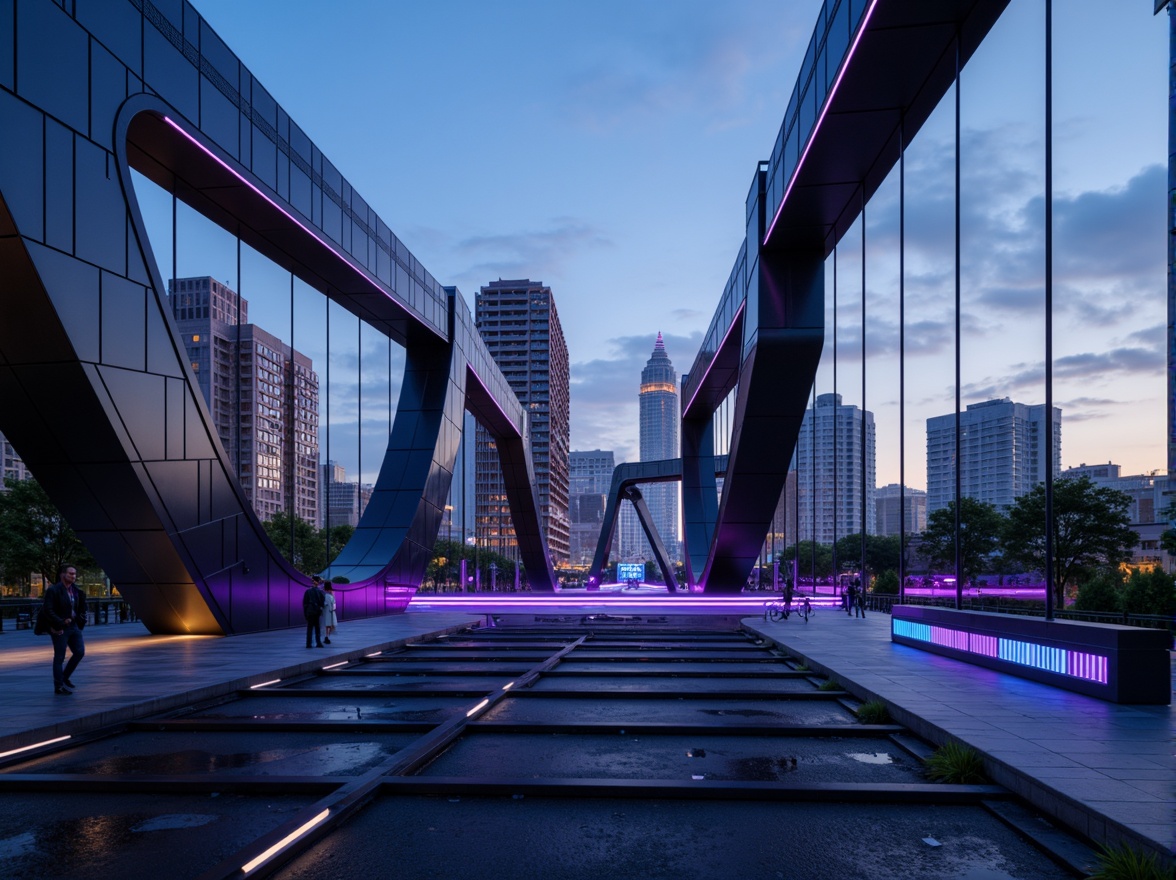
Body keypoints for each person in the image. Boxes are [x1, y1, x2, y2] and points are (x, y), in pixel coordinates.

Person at [43, 564, 86, 695]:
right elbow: (48, 610)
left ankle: (64, 677)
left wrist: (80, 619)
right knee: (59, 657)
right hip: (60, 627)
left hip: (73, 626)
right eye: (70, 574)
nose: (73, 576)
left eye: (74, 574)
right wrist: (59, 622)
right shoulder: (54, 590)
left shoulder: (76, 591)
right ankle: (59, 686)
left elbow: (80, 607)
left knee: (79, 652)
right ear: (63, 575)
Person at [303, 577, 326, 648]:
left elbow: (305, 603)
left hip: (310, 611)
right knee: (317, 627)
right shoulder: (320, 591)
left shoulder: (308, 591)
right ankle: (318, 642)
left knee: (309, 628)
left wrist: (306, 612)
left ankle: (308, 643)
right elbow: (322, 602)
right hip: (317, 611)